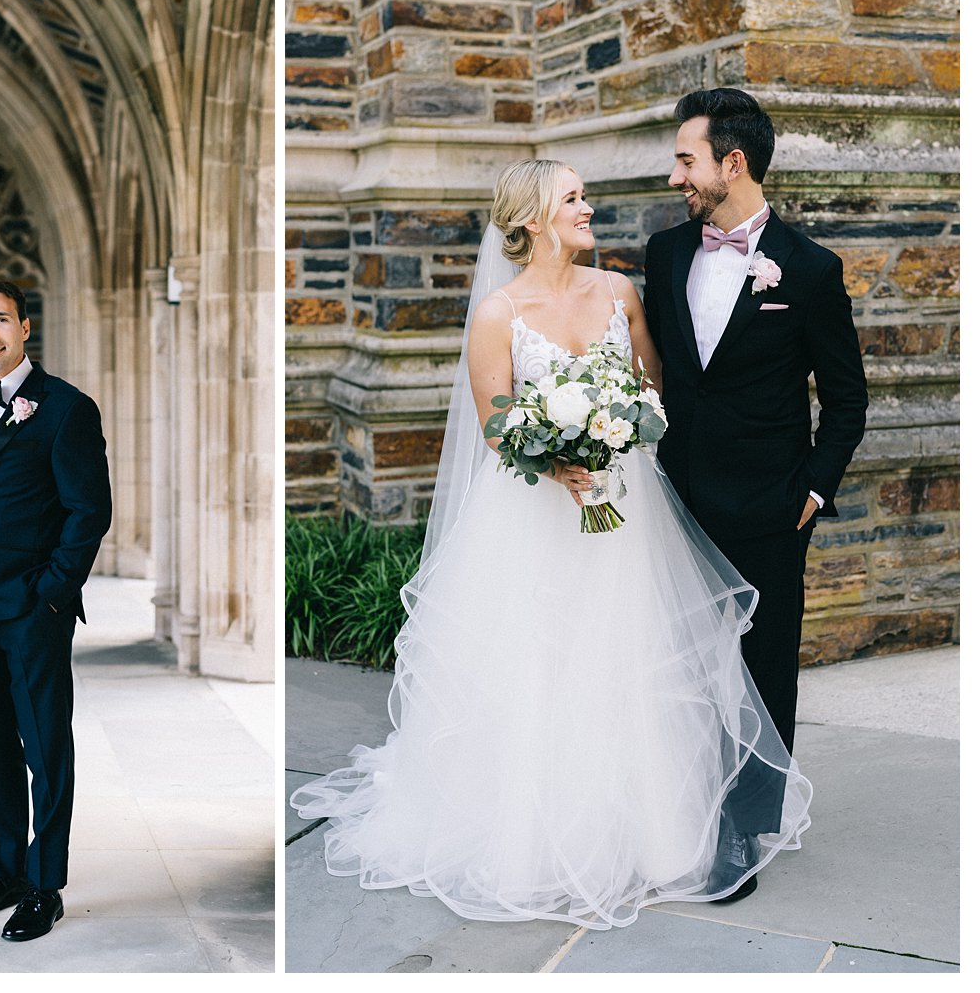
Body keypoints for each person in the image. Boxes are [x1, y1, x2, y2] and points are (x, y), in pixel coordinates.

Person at [290, 159, 812, 929]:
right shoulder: (499, 312)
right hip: (536, 519)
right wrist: (553, 453)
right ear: (533, 217)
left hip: (626, 516)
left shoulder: (619, 293)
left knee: (627, 660)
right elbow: (496, 422)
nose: (588, 207)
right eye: (573, 198)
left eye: (584, 196)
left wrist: (616, 429)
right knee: (541, 665)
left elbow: (654, 389)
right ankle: (528, 842)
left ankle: (657, 837)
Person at [643, 88, 868, 901]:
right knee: (681, 664)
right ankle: (680, 809)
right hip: (674, 506)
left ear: (730, 164)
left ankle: (745, 831)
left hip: (771, 508)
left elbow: (847, 401)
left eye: (686, 160)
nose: (675, 177)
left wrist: (810, 493)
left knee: (762, 668)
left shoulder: (808, 269)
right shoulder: (665, 255)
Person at [0, 279, 112, 942]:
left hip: (32, 611)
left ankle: (46, 885)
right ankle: (5, 871)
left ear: (24, 328)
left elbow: (88, 511)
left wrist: (52, 594)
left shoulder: (67, 409)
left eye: (1, 321)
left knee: (46, 748)